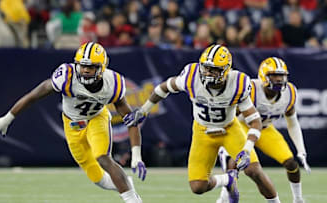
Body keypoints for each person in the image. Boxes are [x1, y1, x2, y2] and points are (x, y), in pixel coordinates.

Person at [0, 42, 146, 203]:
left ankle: (132, 199)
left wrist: (136, 156)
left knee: (102, 156)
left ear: (102, 67)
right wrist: (7, 118)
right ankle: (125, 184)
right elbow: (33, 96)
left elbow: (130, 120)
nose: (86, 71)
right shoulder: (66, 76)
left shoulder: (113, 83)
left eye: (92, 67)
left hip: (96, 118)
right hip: (72, 123)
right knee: (98, 178)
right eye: (83, 66)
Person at [124, 44, 281, 202]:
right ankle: (227, 180)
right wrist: (143, 110)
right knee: (198, 187)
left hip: (229, 129)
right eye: (206, 68)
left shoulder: (237, 83)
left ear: (226, 70)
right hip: (202, 131)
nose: (207, 73)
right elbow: (163, 88)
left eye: (213, 70)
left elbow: (255, 120)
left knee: (254, 170)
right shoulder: (191, 77)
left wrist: (247, 150)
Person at [217, 57, 310, 203]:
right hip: (243, 128)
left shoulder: (290, 92)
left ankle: (298, 199)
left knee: (291, 163)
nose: (279, 79)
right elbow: (229, 115)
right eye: (274, 75)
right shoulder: (251, 89)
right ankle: (225, 196)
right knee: (236, 164)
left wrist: (301, 150)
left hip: (265, 129)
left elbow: (292, 122)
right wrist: (227, 138)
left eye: (281, 75)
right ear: (263, 75)